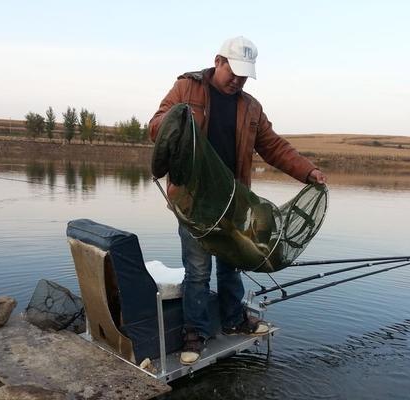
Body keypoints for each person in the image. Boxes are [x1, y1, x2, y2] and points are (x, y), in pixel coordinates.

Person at [149, 36, 326, 365]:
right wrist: (170, 121)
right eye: (234, 71)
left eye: (245, 75)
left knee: (232, 264)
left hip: (233, 201)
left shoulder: (251, 107)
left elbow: (274, 146)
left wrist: (308, 172)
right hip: (193, 201)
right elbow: (155, 126)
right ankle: (195, 332)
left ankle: (234, 319)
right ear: (218, 61)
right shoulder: (186, 88)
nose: (238, 80)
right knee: (198, 270)